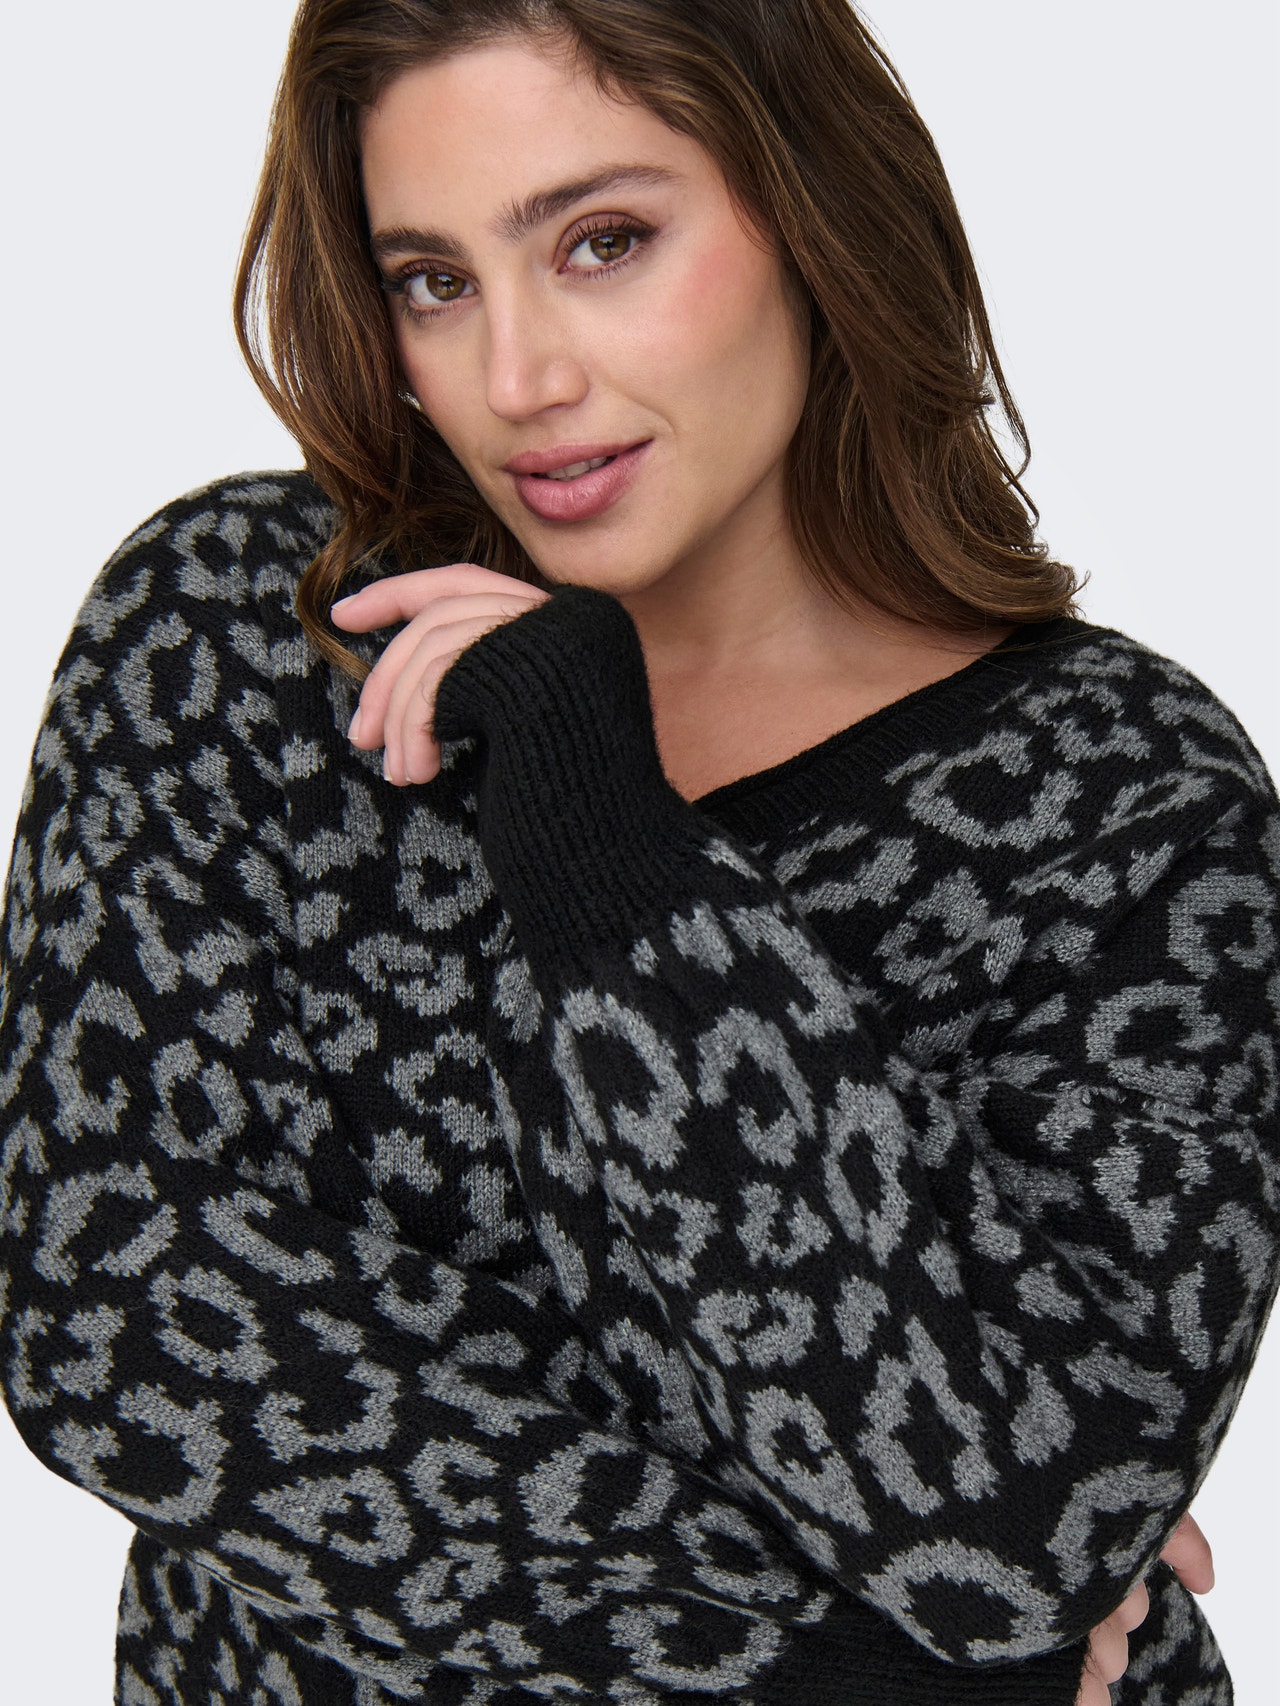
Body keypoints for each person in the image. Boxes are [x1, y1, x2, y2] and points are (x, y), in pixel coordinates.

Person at [0, 1, 1271, 1703]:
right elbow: (117, 1317)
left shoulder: (1126, 800)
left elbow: (1011, 1531)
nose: (517, 379)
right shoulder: (250, 638)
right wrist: (853, 1671)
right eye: (432, 279)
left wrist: (610, 838)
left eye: (603, 242)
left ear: (814, 212)